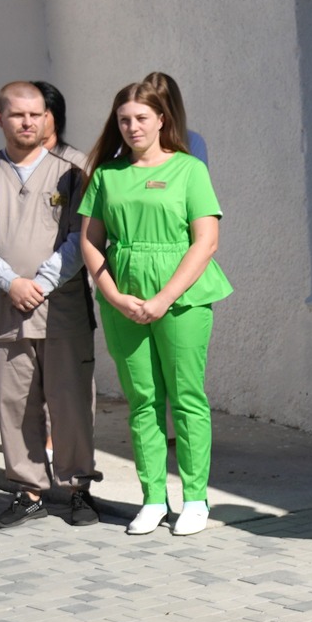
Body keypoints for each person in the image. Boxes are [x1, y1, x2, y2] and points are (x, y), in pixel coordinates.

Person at [77, 77, 228, 536]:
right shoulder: (106, 174)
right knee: (143, 400)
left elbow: (206, 241)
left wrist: (164, 298)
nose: (132, 126)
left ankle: (196, 498)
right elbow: (90, 241)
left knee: (186, 397)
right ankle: (153, 498)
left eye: (141, 117)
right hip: (124, 300)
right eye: (124, 119)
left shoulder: (189, 169)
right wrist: (114, 295)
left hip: (182, 300)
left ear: (161, 119)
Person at [0, 82, 99, 529]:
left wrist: (43, 281)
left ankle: (78, 489)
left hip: (62, 309)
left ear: (47, 118)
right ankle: (28, 492)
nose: (28, 122)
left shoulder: (73, 172)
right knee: (15, 405)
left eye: (36, 114)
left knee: (71, 402)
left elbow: (83, 237)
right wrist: (11, 282)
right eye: (18, 114)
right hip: (5, 309)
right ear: (0, 118)